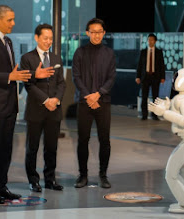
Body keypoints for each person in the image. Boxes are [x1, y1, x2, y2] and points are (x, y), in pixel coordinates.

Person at [0, 5, 54, 204]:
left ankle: (2, 187)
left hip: (9, 105)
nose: (13, 23)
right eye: (10, 20)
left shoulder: (8, 41)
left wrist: (33, 75)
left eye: (13, 19)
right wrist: (9, 76)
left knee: (5, 150)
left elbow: (15, 73)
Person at [148, 68, 184, 214]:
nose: (174, 81)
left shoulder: (182, 100)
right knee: (172, 173)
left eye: (176, 78)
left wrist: (164, 112)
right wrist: (167, 108)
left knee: (170, 174)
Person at [20, 23, 66, 192]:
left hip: (54, 110)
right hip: (36, 110)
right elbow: (28, 85)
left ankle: (50, 179)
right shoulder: (27, 58)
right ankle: (33, 180)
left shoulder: (56, 58)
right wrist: (46, 100)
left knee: (51, 147)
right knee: (32, 148)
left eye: (51, 39)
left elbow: (61, 83)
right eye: (45, 38)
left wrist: (56, 100)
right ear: (37, 38)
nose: (48, 41)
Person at [72, 18, 116, 189]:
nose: (96, 35)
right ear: (87, 33)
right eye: (93, 31)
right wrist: (88, 96)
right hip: (84, 103)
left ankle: (103, 175)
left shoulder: (109, 53)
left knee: (105, 141)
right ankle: (82, 175)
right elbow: (76, 77)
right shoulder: (79, 52)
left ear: (103, 33)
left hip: (103, 102)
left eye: (99, 31)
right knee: (83, 140)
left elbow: (111, 77)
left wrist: (98, 94)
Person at [136, 33, 165, 120]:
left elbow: (161, 65)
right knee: (144, 96)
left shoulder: (159, 52)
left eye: (152, 40)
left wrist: (162, 77)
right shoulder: (143, 52)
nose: (150, 41)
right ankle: (144, 114)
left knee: (155, 96)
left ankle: (154, 114)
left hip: (155, 77)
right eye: (149, 40)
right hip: (145, 77)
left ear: (155, 41)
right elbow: (140, 65)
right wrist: (138, 76)